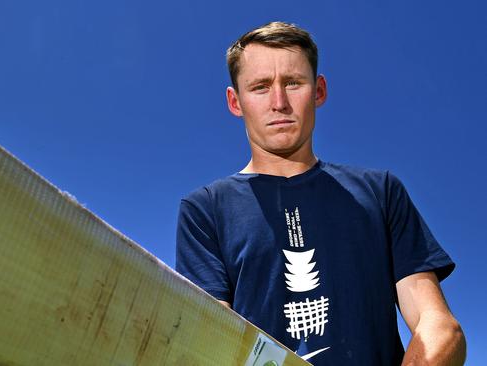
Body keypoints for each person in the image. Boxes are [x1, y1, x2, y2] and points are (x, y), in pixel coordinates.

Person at [175, 21, 466, 365]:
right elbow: (211, 343)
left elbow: (439, 327)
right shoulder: (205, 209)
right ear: (235, 102)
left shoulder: (380, 192)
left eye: (294, 83)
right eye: (260, 87)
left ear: (319, 91)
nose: (279, 102)